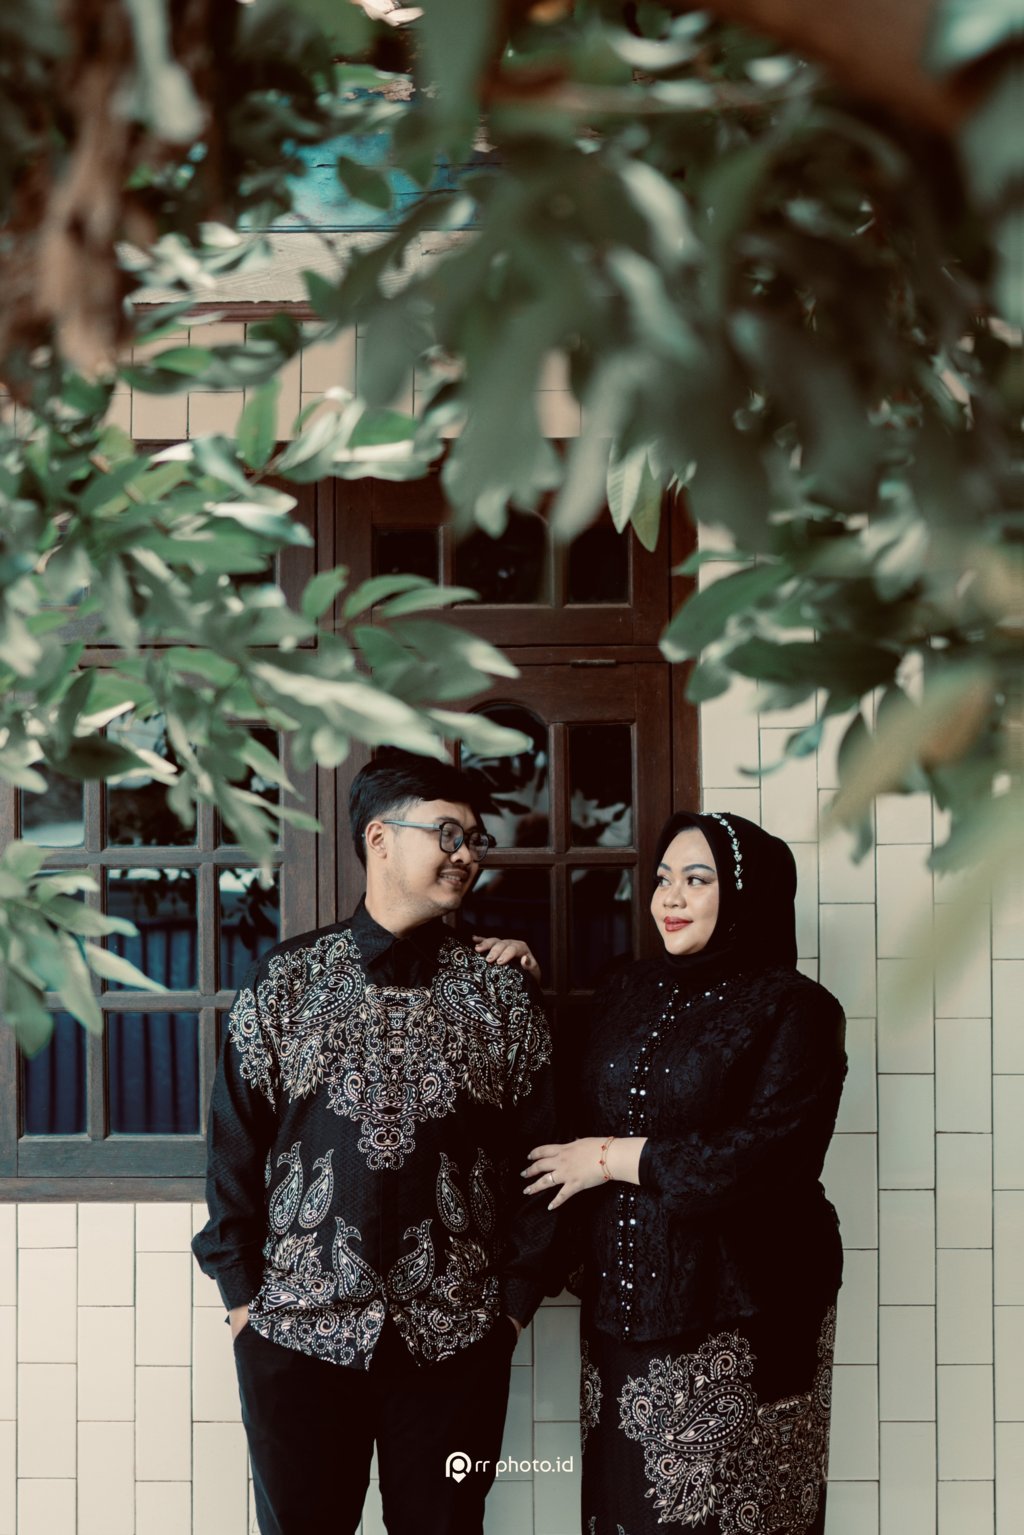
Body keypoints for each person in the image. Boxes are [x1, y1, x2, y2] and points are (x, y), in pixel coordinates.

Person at [192, 749, 559, 1535]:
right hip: (295, 1335)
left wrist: (511, 1312)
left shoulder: (500, 993)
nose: (466, 854)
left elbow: (543, 1158)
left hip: (457, 1341)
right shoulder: (286, 980)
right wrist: (245, 1307)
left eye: (475, 840)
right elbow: (232, 1148)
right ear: (380, 838)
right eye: (448, 833)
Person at [520, 810, 847, 1535]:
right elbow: (576, 1091)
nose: (670, 897)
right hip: (626, 1305)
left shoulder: (798, 1010)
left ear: (746, 894)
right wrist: (524, 989)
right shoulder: (626, 990)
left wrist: (610, 1157)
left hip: (745, 1310)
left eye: (697, 880)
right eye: (663, 878)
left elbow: (764, 1157)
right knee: (626, 1513)